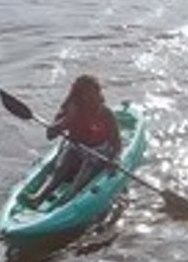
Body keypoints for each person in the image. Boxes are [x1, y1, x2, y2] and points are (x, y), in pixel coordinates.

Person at [25, 74, 122, 208]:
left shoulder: (105, 113)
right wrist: (61, 124)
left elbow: (116, 141)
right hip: (76, 146)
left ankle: (67, 202)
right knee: (60, 169)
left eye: (93, 94)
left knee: (82, 176)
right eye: (85, 94)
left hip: (97, 150)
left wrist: (115, 159)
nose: (90, 98)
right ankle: (39, 197)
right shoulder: (70, 108)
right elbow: (50, 135)